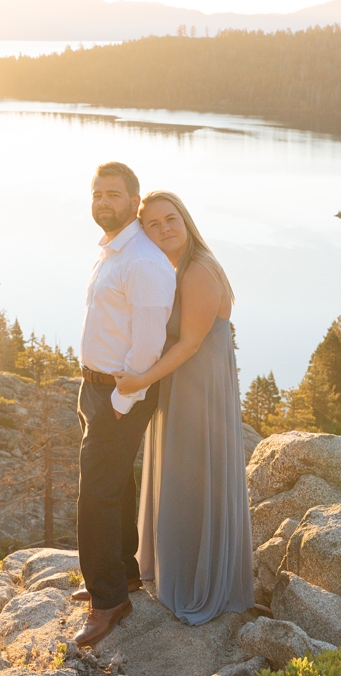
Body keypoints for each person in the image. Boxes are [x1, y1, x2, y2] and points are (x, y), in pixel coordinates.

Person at [113, 190, 256, 625]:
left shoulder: (197, 270)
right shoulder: (174, 267)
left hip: (198, 392)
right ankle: (175, 568)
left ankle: (199, 584)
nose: (164, 229)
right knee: (181, 476)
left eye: (170, 219)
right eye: (152, 225)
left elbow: (192, 343)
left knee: (193, 478)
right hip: (183, 387)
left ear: (185, 219)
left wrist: (139, 379)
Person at [71, 162, 176, 649]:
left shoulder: (145, 261)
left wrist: (120, 400)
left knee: (95, 494)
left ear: (135, 201)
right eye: (97, 194)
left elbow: (150, 346)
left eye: (113, 194)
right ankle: (125, 575)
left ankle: (108, 599)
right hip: (97, 388)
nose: (103, 203)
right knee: (115, 484)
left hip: (119, 394)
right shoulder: (114, 250)